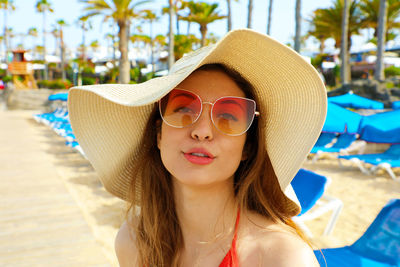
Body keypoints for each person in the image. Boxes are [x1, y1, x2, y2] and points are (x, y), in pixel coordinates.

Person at [68, 29, 327, 266]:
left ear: (247, 146)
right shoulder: (135, 240)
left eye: (228, 116)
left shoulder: (280, 258)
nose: (202, 131)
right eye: (183, 110)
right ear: (158, 134)